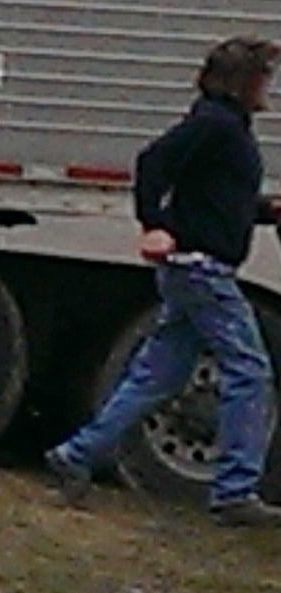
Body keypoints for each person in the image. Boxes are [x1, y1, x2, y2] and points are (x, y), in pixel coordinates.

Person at [45, 36, 281, 525]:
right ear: (242, 82)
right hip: (202, 268)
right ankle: (235, 490)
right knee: (250, 371)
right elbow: (153, 164)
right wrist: (153, 223)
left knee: (158, 375)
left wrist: (263, 211)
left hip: (192, 267)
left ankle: (77, 454)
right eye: (263, 76)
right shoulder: (215, 125)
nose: (268, 87)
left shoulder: (225, 126)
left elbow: (214, 201)